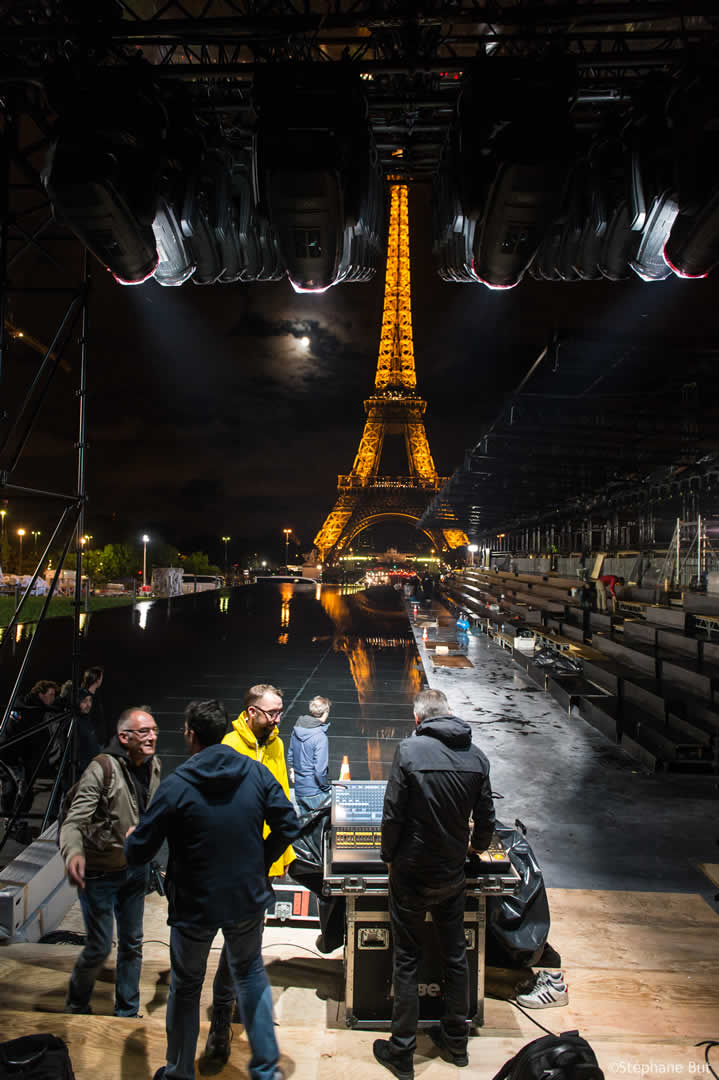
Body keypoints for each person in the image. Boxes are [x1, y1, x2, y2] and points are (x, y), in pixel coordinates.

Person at [125, 699, 300, 1080]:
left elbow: (139, 851)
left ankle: (179, 1072)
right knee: (251, 975)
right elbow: (290, 826)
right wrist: (260, 862)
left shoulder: (176, 785)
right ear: (223, 731)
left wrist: (131, 837)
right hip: (246, 898)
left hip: (194, 905)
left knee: (186, 988)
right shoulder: (256, 774)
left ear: (190, 734)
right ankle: (267, 1071)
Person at [374, 688, 496, 1080]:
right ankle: (456, 1043)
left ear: (418, 719)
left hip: (410, 873)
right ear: (449, 714)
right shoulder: (477, 757)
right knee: (455, 956)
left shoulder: (409, 752)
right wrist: (474, 849)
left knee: (407, 960)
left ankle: (403, 1052)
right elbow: (487, 818)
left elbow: (393, 812)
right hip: (451, 873)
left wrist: (388, 855)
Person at [203, 684, 295, 1070]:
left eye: (280, 712)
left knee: (245, 945)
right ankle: (221, 1018)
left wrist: (282, 856)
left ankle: (229, 1006)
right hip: (230, 866)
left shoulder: (273, 743)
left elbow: (282, 795)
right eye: (272, 713)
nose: (277, 720)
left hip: (260, 865)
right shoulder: (229, 746)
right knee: (237, 946)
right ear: (251, 712)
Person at [59, 706, 161, 1017]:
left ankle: (127, 1011)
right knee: (100, 947)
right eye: (144, 732)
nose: (152, 736)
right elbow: (74, 821)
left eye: (154, 730)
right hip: (101, 873)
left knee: (132, 944)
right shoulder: (101, 768)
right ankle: (77, 1003)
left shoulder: (153, 765)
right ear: (124, 736)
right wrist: (73, 853)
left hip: (135, 871)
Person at [287, 695, 332, 814]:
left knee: (305, 829)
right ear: (326, 712)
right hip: (315, 792)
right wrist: (326, 787)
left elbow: (290, 756)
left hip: (299, 791)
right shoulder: (320, 736)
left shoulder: (296, 729)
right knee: (321, 830)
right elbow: (319, 770)